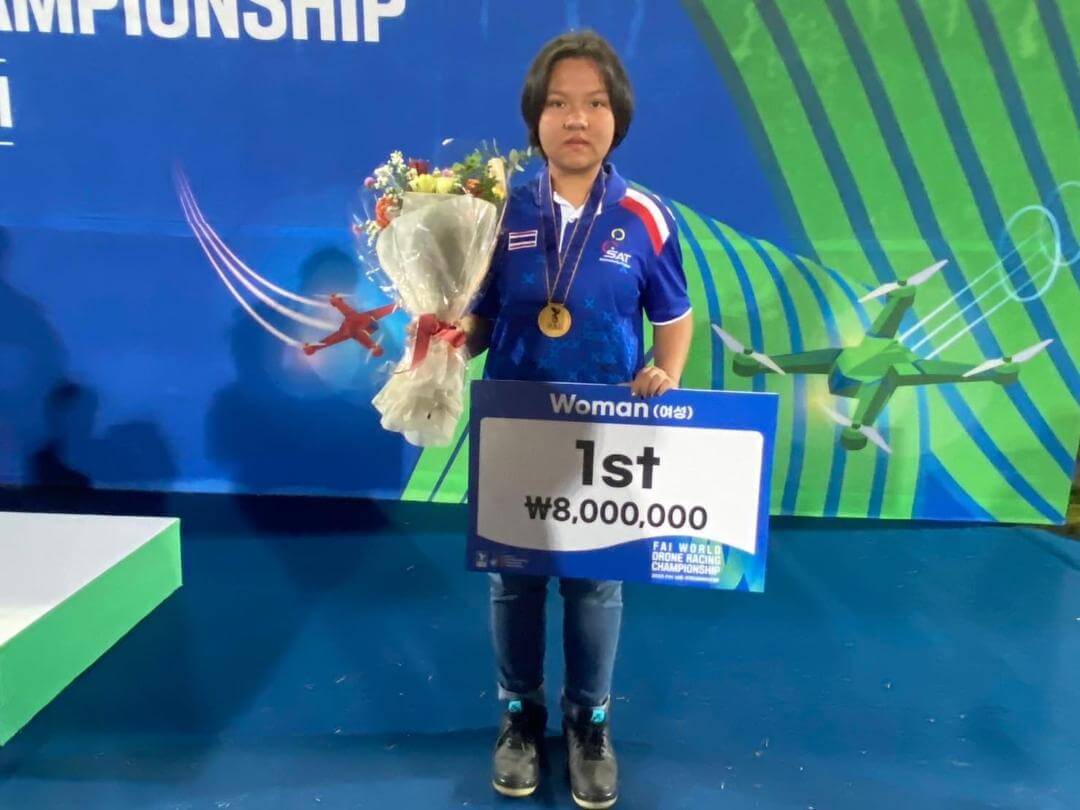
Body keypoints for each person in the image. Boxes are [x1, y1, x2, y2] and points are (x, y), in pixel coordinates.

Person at [461, 30, 693, 809]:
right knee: (515, 582)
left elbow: (675, 316)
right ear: (536, 118)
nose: (576, 119)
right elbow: (481, 319)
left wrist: (668, 372)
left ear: (616, 117)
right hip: (516, 425)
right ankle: (519, 717)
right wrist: (445, 337)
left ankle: (590, 723)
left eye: (594, 103)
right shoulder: (497, 212)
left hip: (605, 435)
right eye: (558, 104)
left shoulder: (646, 216)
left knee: (594, 584)